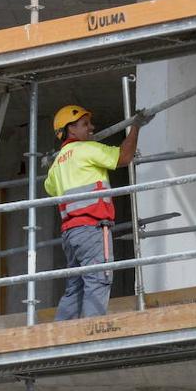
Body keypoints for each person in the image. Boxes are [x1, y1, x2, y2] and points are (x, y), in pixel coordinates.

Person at [43, 105, 142, 321]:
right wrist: (136, 127)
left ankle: (62, 338)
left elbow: (50, 188)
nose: (92, 128)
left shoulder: (56, 165)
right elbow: (125, 157)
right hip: (93, 229)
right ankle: (91, 337)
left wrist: (61, 161)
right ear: (70, 130)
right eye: (85, 124)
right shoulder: (86, 149)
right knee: (98, 280)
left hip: (71, 235)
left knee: (75, 287)